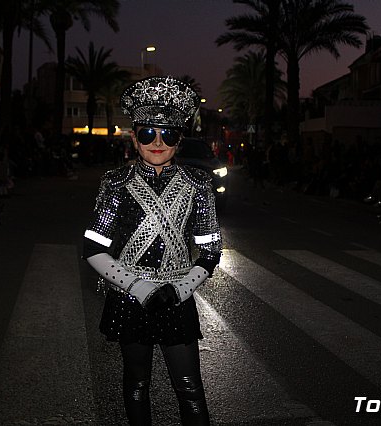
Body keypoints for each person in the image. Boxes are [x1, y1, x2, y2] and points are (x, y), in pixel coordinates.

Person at [82, 76, 222, 425]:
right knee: (136, 384)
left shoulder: (199, 184)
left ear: (179, 139)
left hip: (177, 297)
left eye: (168, 134)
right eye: (147, 133)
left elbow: (210, 251)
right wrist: (140, 287)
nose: (157, 142)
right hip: (130, 298)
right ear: (134, 137)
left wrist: (179, 290)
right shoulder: (115, 183)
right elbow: (93, 248)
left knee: (190, 389)